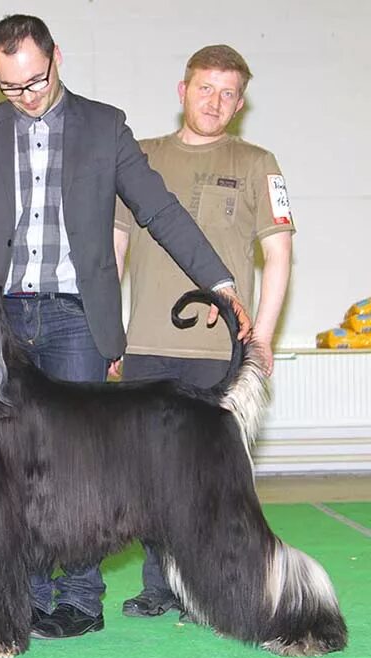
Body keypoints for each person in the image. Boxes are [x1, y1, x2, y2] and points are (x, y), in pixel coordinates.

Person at [0, 15, 252, 640]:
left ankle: (79, 598)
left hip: (75, 313)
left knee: (83, 470)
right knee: (13, 471)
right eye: (11, 86)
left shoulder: (104, 125)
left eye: (35, 80)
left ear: (56, 58)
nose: (27, 95)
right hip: (4, 320)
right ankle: (31, 598)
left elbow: (158, 207)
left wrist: (222, 281)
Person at [114, 45, 294, 619]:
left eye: (227, 93)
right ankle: (158, 586)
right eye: (204, 88)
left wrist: (260, 340)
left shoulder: (258, 161)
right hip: (143, 347)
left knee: (211, 482)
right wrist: (108, 337)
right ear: (182, 89)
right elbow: (113, 247)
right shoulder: (138, 157)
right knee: (148, 480)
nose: (214, 101)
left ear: (240, 103)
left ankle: (208, 588)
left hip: (218, 352)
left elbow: (279, 254)